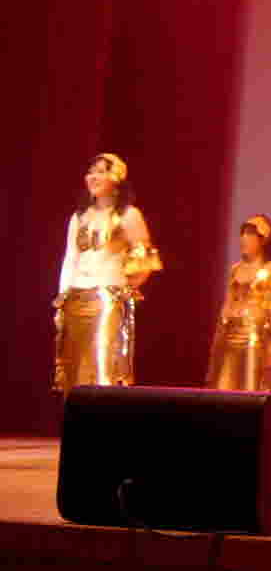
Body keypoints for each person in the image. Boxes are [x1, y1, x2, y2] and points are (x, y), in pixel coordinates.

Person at [52, 153, 161, 394]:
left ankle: (102, 415)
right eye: (91, 172)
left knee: (103, 365)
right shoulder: (79, 217)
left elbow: (145, 262)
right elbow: (70, 258)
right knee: (73, 368)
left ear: (117, 178)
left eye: (101, 171)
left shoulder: (129, 216)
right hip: (75, 299)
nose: (93, 177)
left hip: (106, 301)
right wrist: (62, 298)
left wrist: (122, 289)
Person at [205, 214, 271, 391]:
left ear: (263, 239)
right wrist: (217, 339)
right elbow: (227, 304)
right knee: (224, 387)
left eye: (250, 234)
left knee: (250, 388)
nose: (244, 238)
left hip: (254, 339)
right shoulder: (235, 269)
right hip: (230, 336)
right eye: (243, 233)